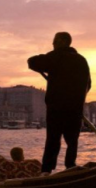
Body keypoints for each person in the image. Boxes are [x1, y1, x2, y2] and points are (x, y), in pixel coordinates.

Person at [27, 32, 91, 174]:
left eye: (54, 42)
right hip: (75, 107)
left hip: (56, 106)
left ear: (62, 42)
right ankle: (71, 165)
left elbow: (31, 62)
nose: (53, 44)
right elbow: (89, 85)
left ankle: (47, 170)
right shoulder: (82, 61)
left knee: (53, 139)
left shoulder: (55, 57)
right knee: (72, 140)